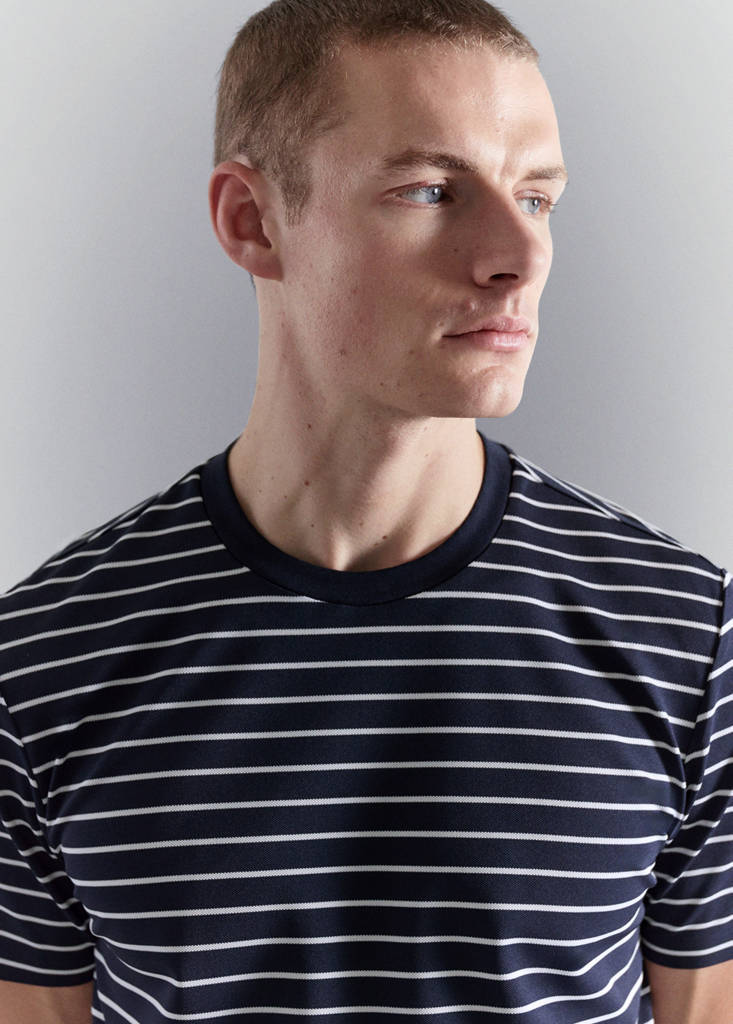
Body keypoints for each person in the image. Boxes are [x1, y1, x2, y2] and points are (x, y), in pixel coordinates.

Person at [0, 1, 731, 1021]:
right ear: (251, 221)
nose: (519, 255)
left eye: (537, 197)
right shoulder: (44, 660)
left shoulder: (685, 635)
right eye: (430, 189)